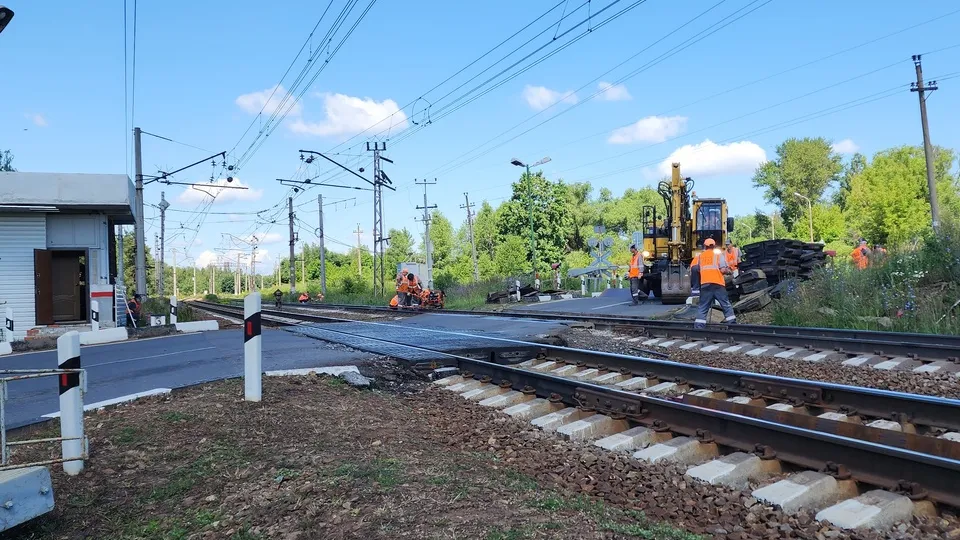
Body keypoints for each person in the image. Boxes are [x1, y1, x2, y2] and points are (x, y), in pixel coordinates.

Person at [691, 238, 736, 329]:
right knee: (725, 304)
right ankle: (732, 324)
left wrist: (696, 285)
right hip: (718, 284)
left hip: (705, 284)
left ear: (705, 246)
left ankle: (699, 326)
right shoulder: (718, 255)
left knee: (703, 307)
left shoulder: (700, 256)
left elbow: (695, 269)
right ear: (714, 246)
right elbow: (723, 270)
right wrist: (730, 272)